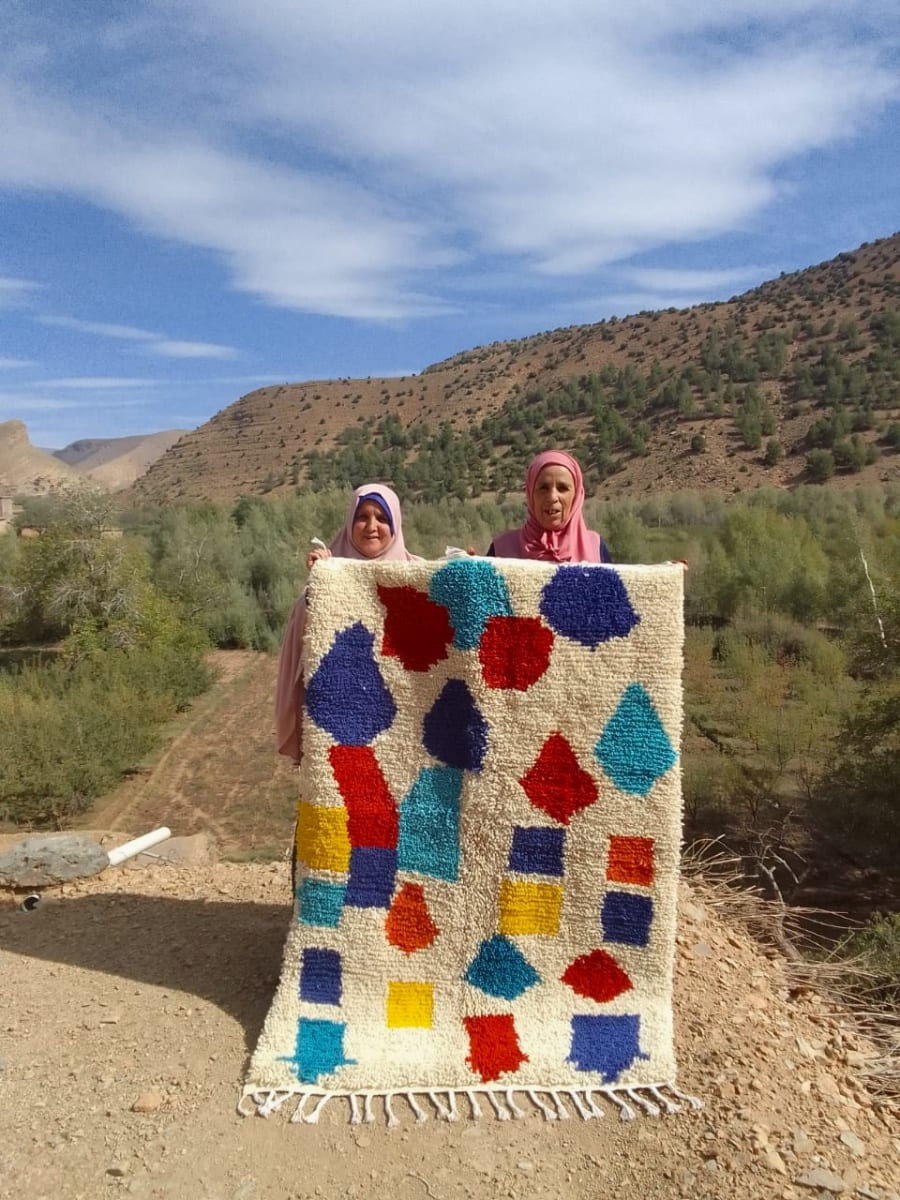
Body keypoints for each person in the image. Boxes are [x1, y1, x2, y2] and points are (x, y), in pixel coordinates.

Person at [275, 483, 419, 764]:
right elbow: (306, 638)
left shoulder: (418, 574)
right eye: (362, 517)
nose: (371, 526)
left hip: (403, 721)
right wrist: (321, 582)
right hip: (340, 718)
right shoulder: (328, 572)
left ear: (396, 524)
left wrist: (471, 572)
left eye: (382, 518)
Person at [487, 450, 612, 563]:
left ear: (576, 495)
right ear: (531, 494)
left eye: (562, 488)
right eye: (543, 488)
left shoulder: (596, 548)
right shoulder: (500, 550)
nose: (552, 497)